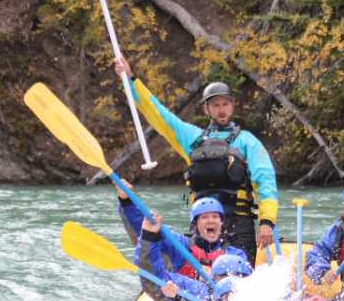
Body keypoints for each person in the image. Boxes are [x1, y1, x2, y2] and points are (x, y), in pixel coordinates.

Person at [114, 56, 278, 264]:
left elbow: (266, 182)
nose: (221, 110)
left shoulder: (247, 141)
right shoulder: (192, 138)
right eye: (215, 105)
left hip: (239, 224)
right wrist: (130, 80)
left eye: (225, 104)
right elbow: (159, 114)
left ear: (232, 106)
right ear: (206, 109)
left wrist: (266, 222)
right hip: (203, 225)